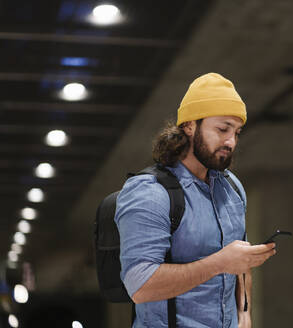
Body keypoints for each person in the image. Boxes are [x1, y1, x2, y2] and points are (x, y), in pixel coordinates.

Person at [115, 72, 276, 328]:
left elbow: (241, 263)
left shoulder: (232, 188)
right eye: (222, 129)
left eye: (237, 132)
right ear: (189, 126)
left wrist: (245, 315)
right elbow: (140, 285)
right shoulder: (150, 192)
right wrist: (221, 263)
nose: (231, 141)